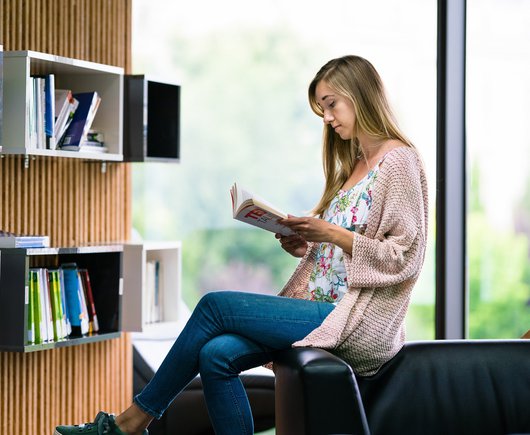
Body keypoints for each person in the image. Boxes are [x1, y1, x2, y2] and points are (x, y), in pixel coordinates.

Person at [55, 54, 428, 435]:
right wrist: (308, 245)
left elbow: (404, 257)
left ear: (360, 94)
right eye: (322, 110)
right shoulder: (356, 165)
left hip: (354, 320)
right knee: (216, 355)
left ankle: (131, 422)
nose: (328, 119)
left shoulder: (398, 161)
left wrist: (331, 233)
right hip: (323, 307)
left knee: (215, 305)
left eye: (331, 104)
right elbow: (348, 250)